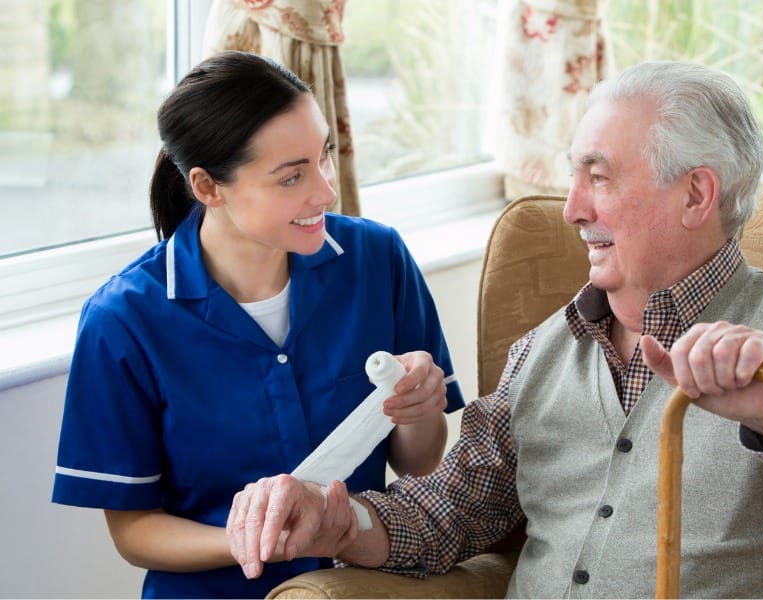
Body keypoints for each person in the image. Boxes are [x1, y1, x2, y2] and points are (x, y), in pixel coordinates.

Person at [225, 61, 763, 598]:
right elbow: (449, 513)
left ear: (696, 195)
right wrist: (336, 519)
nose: (572, 209)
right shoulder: (541, 351)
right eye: (572, 177)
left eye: (597, 178)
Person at [51, 51, 466, 599]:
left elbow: (418, 461)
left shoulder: (378, 259)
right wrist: (263, 538)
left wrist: (418, 409)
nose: (325, 191)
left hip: (358, 589)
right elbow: (134, 532)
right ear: (207, 187)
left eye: (323, 158)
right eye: (292, 176)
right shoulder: (122, 322)